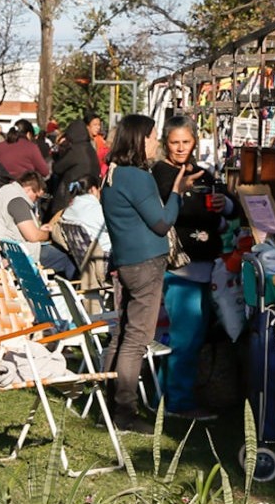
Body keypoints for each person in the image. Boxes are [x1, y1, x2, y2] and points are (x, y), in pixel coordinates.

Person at [100, 113, 198, 433]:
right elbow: (161, 222)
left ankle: (108, 403)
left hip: (127, 262)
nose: (156, 142)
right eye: (153, 136)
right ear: (139, 139)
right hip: (145, 264)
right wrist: (177, 192)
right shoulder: (137, 177)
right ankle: (124, 411)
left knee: (122, 335)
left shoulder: (113, 174)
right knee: (136, 339)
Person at [151, 115, 230, 421]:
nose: (181, 148)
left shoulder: (202, 173)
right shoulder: (162, 174)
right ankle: (178, 402)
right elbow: (178, 213)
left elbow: (225, 203)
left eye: (186, 141)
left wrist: (224, 206)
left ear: (194, 141)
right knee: (185, 338)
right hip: (180, 270)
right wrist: (212, 217)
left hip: (203, 268)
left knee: (191, 337)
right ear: (166, 143)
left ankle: (165, 397)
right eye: (175, 142)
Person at [0, 169, 77, 280]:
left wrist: (39, 229)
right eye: (36, 197)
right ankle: (74, 289)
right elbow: (33, 236)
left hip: (2, 249)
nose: (35, 201)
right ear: (28, 189)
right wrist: (49, 234)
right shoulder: (17, 200)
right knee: (68, 259)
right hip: (19, 254)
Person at [50, 118, 101, 215]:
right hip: (90, 192)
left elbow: (57, 168)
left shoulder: (75, 150)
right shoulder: (90, 148)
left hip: (72, 193)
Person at [60, 174, 110, 257]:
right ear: (93, 190)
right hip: (104, 256)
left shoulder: (68, 211)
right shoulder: (97, 211)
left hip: (82, 258)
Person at [87, 113, 110, 178]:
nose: (98, 127)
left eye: (99, 125)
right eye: (95, 125)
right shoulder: (81, 141)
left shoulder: (101, 141)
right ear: (87, 126)